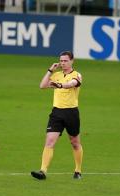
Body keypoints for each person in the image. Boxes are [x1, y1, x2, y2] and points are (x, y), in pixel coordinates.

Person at [31, 51, 83, 180]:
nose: (62, 63)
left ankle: (78, 170)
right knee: (49, 142)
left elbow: (71, 84)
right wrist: (50, 71)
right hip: (57, 113)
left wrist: (59, 85)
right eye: (61, 61)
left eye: (65, 61)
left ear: (72, 61)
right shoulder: (57, 75)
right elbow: (42, 86)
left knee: (75, 143)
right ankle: (43, 171)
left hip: (71, 113)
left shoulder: (77, 75)